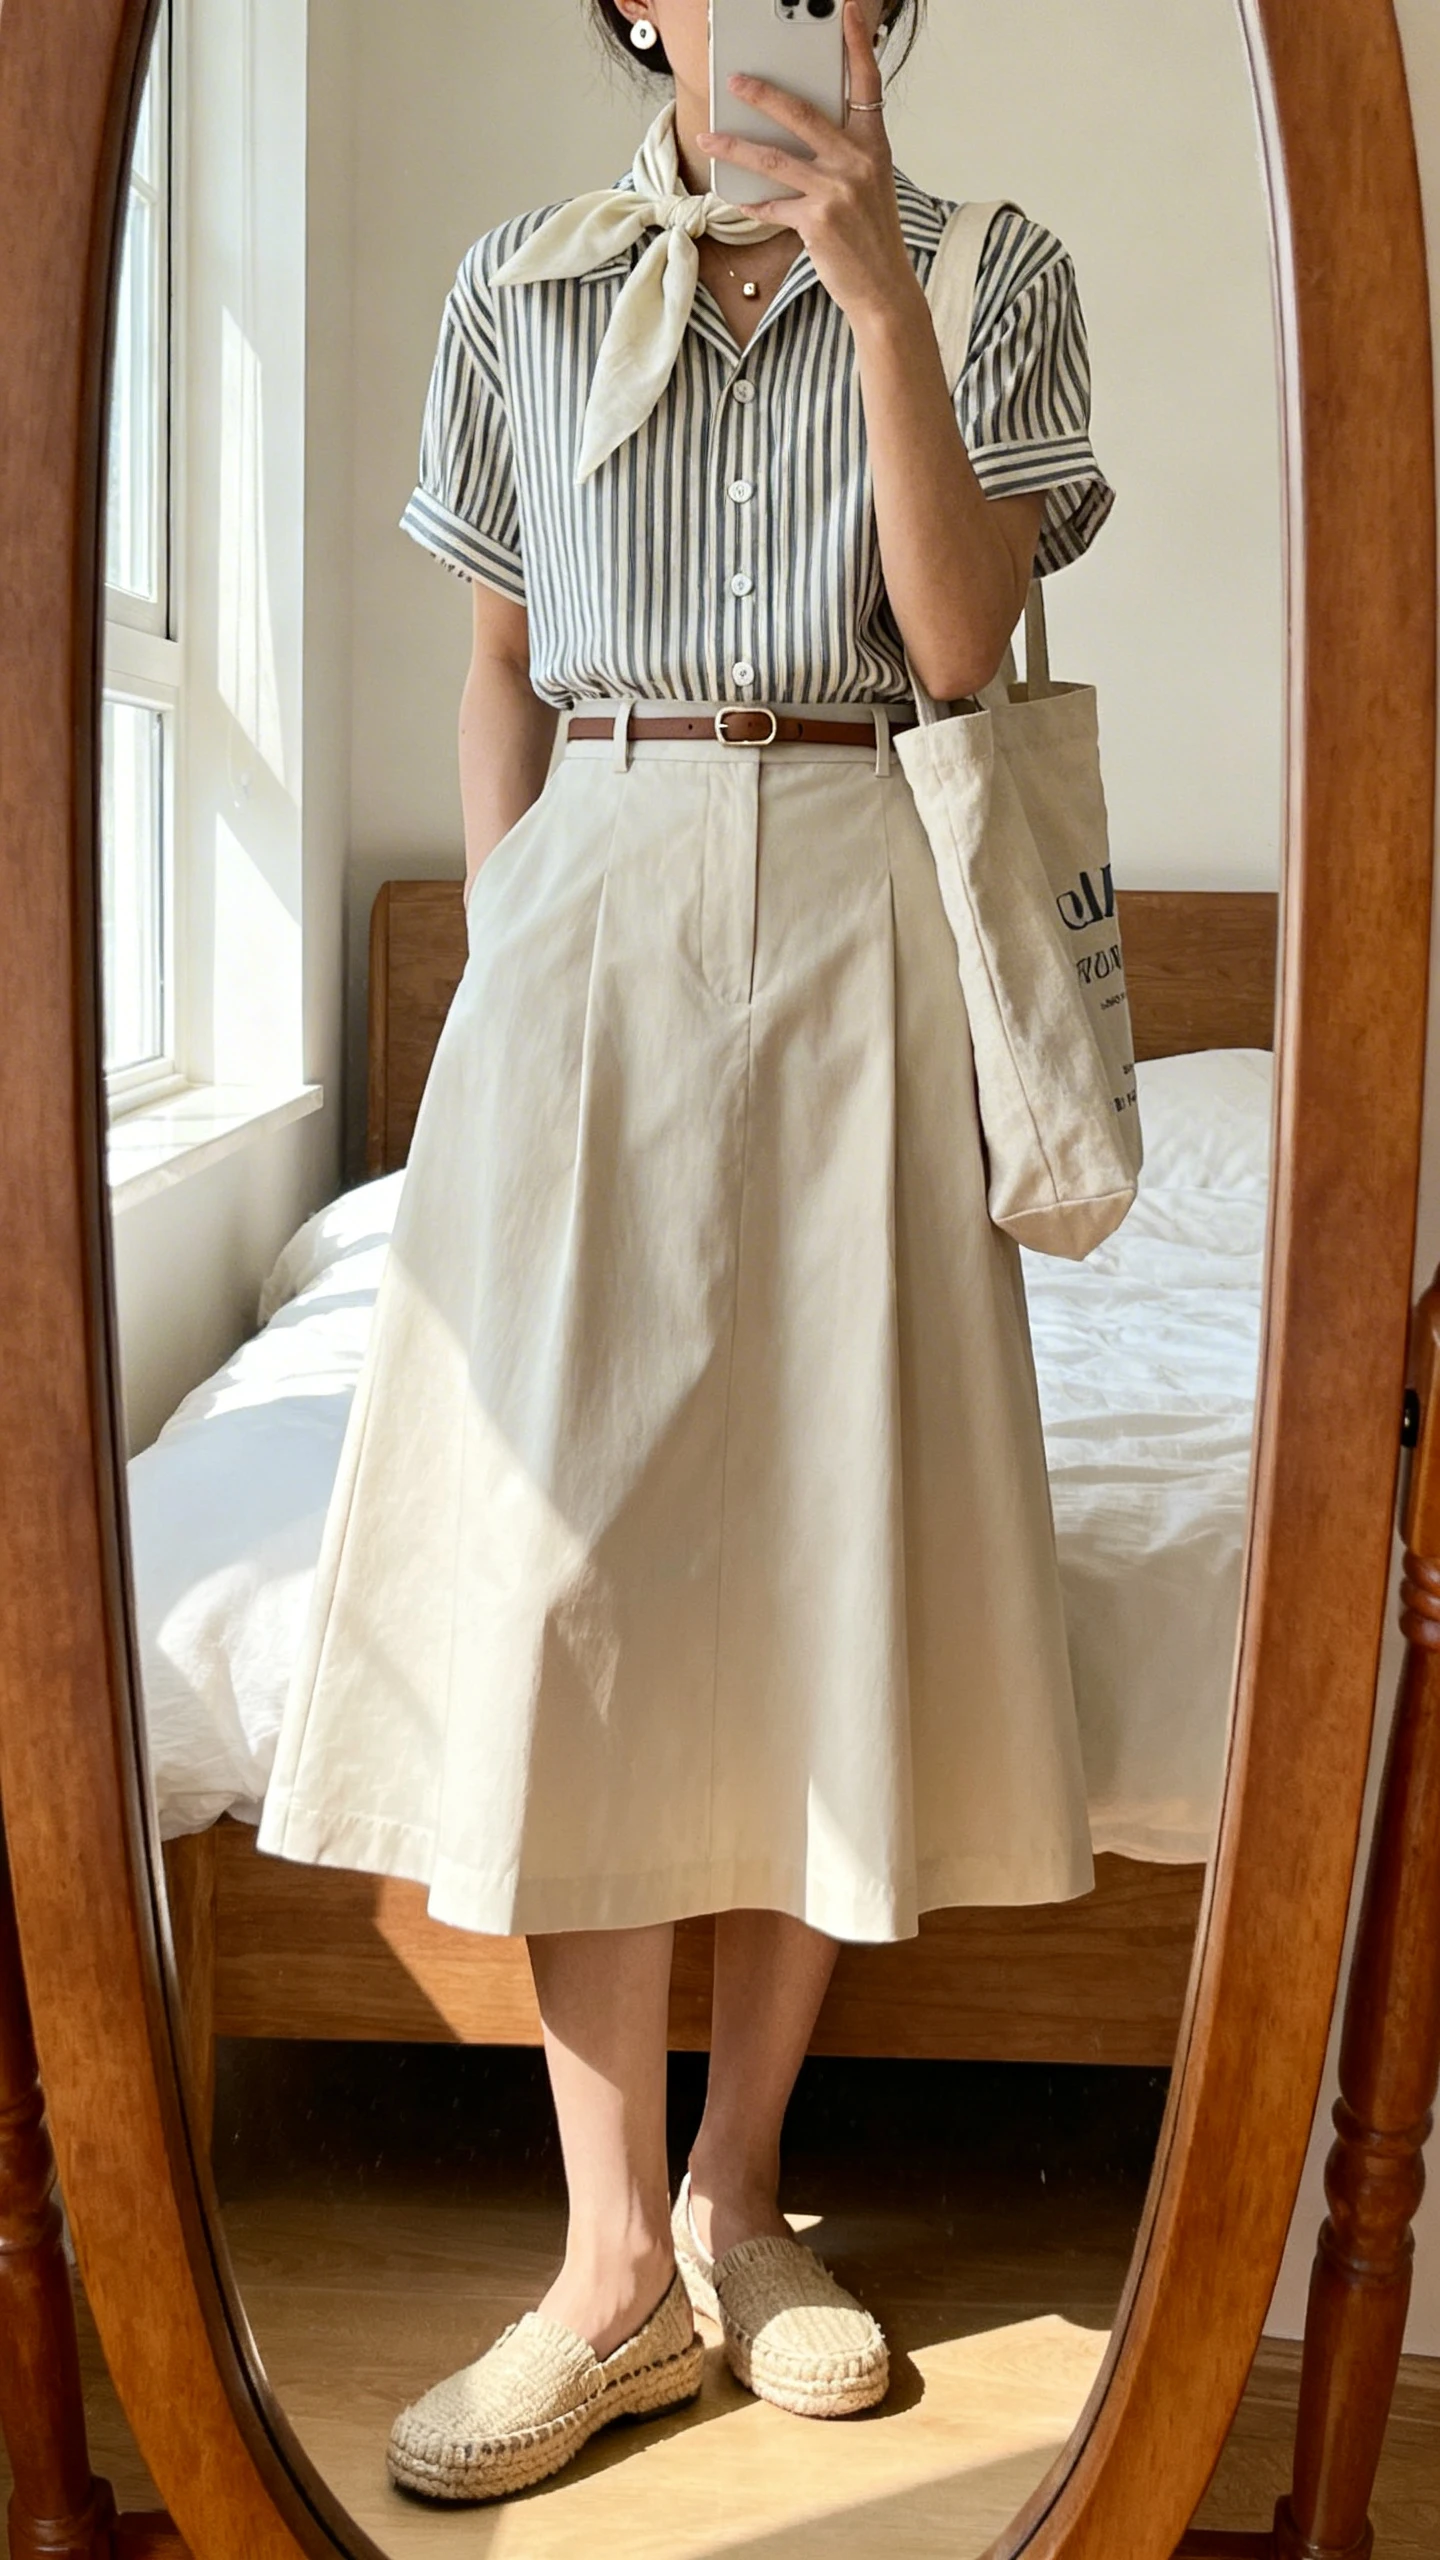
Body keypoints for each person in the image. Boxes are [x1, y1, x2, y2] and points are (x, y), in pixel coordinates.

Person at [256, 0, 1114, 2502]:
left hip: (868, 888)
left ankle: (749, 2198)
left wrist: (875, 306)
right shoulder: (516, 287)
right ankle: (607, 2253)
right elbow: (500, 663)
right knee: (579, 1563)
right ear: (644, 9)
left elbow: (962, 647)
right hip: (587, 913)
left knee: (820, 1527)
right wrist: (510, 946)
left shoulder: (991, 265)